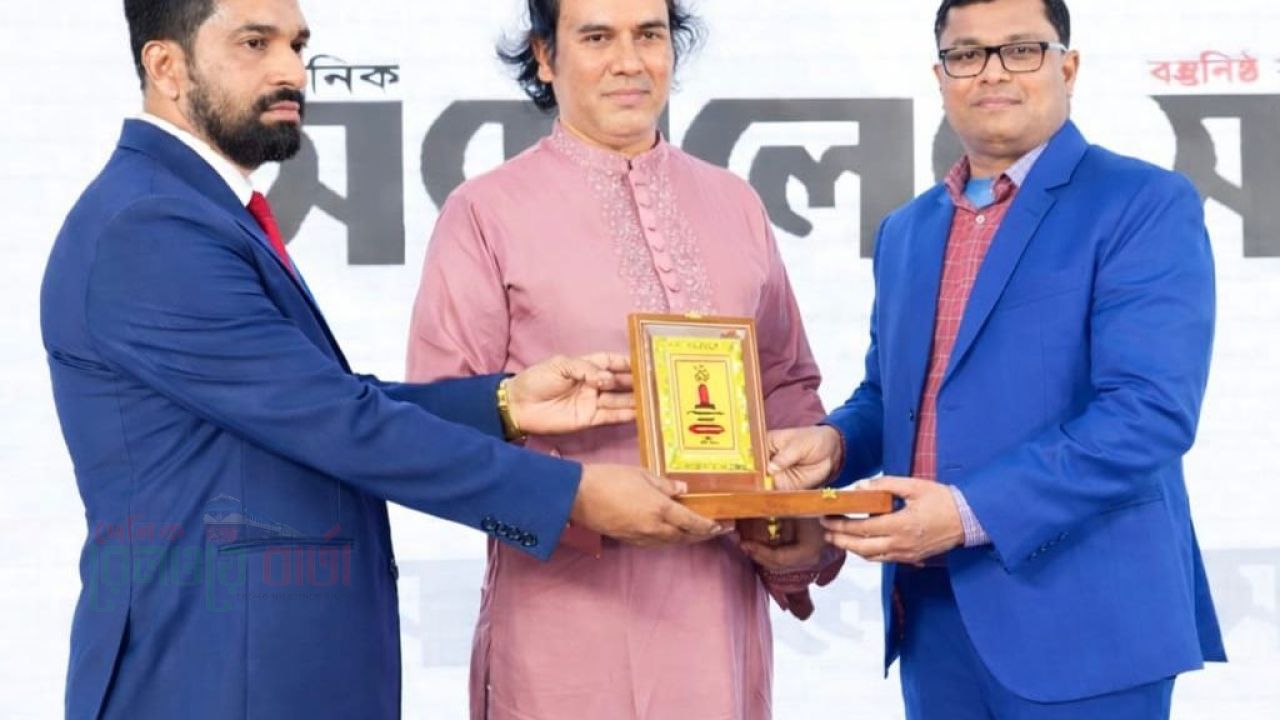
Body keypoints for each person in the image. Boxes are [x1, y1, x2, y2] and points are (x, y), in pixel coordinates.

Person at [40, 1, 725, 717]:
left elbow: (309, 403)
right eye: (255, 44)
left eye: (297, 45)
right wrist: (572, 495)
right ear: (166, 66)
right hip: (206, 677)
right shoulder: (149, 225)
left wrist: (503, 404)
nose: (291, 71)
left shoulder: (191, 209)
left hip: (265, 673)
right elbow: (334, 421)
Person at [767, 0, 1226, 717]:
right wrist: (834, 445)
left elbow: (1149, 413)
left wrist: (966, 513)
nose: (992, 72)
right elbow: (894, 396)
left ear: (1067, 68)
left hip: (1086, 621)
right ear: (941, 77)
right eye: (967, 54)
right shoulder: (907, 230)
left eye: (1021, 50)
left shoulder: (1142, 203)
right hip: (931, 613)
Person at [407, 0, 839, 717]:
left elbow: (785, 381)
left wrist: (798, 522)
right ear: (545, 56)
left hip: (717, 614)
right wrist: (576, 501)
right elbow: (436, 434)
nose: (629, 62)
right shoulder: (485, 212)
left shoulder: (734, 203)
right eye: (597, 37)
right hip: (564, 616)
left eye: (649, 35)